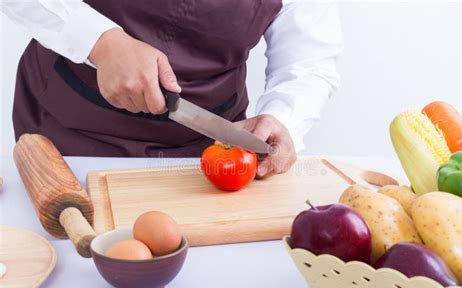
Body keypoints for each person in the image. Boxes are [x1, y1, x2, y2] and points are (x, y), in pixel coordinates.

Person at [1, 0, 343, 177]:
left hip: (209, 151)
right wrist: (100, 41)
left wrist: (283, 117)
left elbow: (309, 60)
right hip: (67, 130)